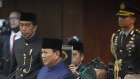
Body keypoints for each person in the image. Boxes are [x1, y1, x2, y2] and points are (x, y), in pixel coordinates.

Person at [110, 1, 140, 79]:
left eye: (124, 17)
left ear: (133, 20)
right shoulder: (115, 36)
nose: (120, 19)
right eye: (119, 17)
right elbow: (114, 59)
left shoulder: (137, 37)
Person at [10, 13, 42, 79]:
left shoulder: (42, 43)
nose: (23, 29)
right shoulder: (17, 42)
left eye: (27, 25)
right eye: (21, 25)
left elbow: (44, 69)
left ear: (35, 28)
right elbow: (14, 66)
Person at [0, 9, 22, 78]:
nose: (12, 20)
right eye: (10, 18)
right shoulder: (3, 38)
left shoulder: (28, 37)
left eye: (15, 18)